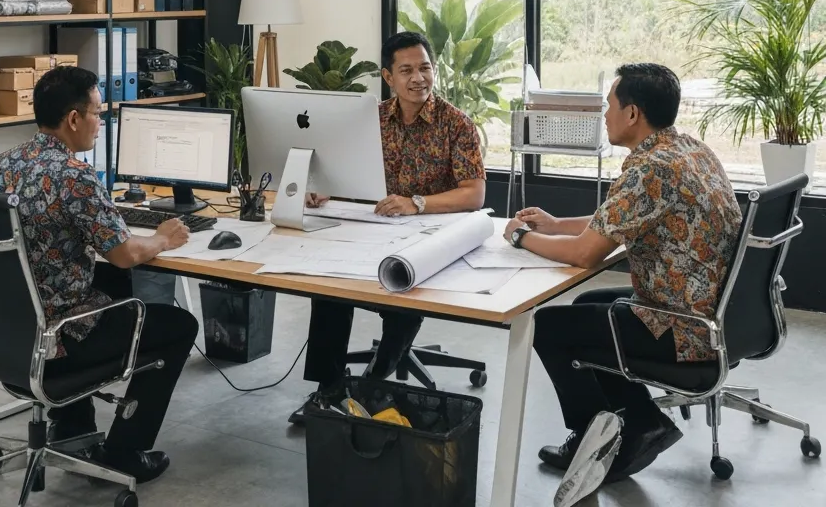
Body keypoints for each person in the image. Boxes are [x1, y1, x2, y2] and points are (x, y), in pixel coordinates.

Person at [502, 62, 742, 485]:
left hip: (683, 327)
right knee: (586, 305)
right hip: (716, 314)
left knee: (550, 326)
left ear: (632, 113)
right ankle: (638, 420)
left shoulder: (649, 169)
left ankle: (600, 438)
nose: (605, 116)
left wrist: (520, 237)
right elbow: (616, 219)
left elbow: (585, 255)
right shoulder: (688, 149)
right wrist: (555, 224)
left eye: (609, 106)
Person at [0, 66, 198, 485]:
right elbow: (123, 254)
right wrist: (163, 238)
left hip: (6, 333)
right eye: (99, 113)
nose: (102, 123)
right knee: (176, 325)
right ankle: (124, 452)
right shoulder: (75, 176)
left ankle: (73, 427)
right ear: (74, 119)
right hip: (59, 338)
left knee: (110, 287)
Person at [289, 31, 486, 425]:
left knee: (403, 288)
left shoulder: (456, 124)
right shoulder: (371, 120)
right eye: (407, 70)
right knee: (328, 289)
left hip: (428, 238)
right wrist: (322, 191)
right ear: (388, 77)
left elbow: (474, 195)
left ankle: (372, 384)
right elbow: (341, 173)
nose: (419, 78)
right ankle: (328, 387)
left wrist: (418, 204)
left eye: (425, 68)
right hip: (370, 230)